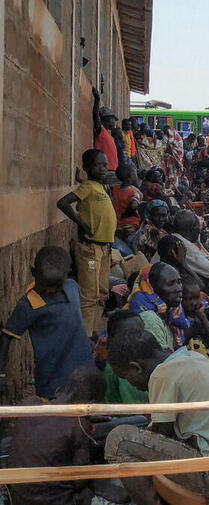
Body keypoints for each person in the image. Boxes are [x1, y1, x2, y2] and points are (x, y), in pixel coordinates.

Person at [104, 329, 209, 505]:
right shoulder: (193, 358)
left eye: (125, 377)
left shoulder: (162, 374)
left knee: (119, 440)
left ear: (136, 367)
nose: (130, 384)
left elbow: (160, 434)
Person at [0, 246, 95, 399]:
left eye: (56, 286)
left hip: (85, 373)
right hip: (52, 382)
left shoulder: (72, 288)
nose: (50, 291)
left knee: (84, 415)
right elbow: (6, 337)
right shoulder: (28, 304)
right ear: (33, 272)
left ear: (67, 274)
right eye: (45, 286)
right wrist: (1, 374)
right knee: (54, 418)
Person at [7, 366, 106, 505]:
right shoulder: (78, 425)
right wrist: (86, 424)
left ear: (58, 390)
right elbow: (80, 480)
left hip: (18, 499)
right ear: (93, 405)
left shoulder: (29, 405)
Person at [57, 149, 116, 335]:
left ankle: (91, 330)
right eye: (97, 165)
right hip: (90, 250)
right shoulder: (89, 187)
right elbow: (63, 203)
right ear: (87, 168)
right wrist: (80, 223)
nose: (102, 169)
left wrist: (79, 180)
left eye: (105, 165)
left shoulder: (97, 186)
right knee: (90, 294)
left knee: (102, 293)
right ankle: (85, 336)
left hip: (104, 249)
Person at [171, 209, 209, 289]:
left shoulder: (175, 238)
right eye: (199, 228)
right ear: (193, 229)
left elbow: (204, 259)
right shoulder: (183, 246)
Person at [111, 163, 143, 248]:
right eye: (135, 175)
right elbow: (134, 205)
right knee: (131, 247)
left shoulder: (115, 189)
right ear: (129, 180)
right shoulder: (133, 193)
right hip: (131, 225)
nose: (137, 177)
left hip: (118, 224)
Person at [92, 88, 118, 174]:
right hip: (106, 171)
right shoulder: (101, 131)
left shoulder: (108, 134)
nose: (114, 122)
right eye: (113, 119)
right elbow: (95, 116)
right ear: (107, 118)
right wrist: (97, 99)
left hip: (112, 170)